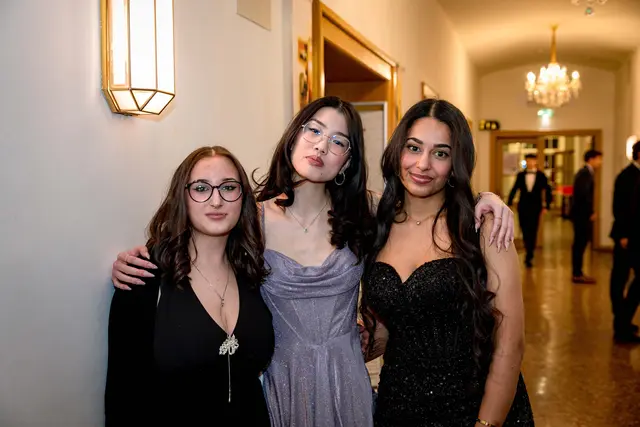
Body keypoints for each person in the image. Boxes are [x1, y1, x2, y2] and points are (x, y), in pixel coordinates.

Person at [109, 96, 516, 426]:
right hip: (282, 381)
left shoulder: (367, 213)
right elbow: (200, 233)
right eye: (314, 130)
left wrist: (487, 200)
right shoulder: (251, 217)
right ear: (294, 137)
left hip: (347, 378)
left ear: (347, 161)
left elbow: (424, 214)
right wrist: (143, 259)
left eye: (338, 141)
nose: (322, 146)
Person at [360, 98, 534, 426]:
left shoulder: (482, 227)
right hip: (399, 405)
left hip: (473, 405)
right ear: (398, 151)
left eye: (440, 153)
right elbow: (387, 330)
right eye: (413, 148)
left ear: (456, 163)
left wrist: (486, 424)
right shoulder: (378, 226)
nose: (422, 164)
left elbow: (510, 344)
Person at [104, 146, 274, 427]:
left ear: (243, 198)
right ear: (182, 197)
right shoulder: (143, 277)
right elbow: (123, 398)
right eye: (201, 188)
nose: (216, 201)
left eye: (228, 187)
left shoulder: (252, 271)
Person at [610, 140, 640, 343]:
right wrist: (623, 235)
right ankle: (621, 324)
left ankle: (623, 321)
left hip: (635, 237)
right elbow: (620, 207)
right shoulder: (627, 176)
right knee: (619, 279)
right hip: (628, 238)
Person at [507, 153, 551, 267]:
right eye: (528, 160)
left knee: (533, 230)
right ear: (526, 162)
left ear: (536, 161)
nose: (530, 163)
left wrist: (547, 206)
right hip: (523, 206)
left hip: (536, 207)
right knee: (524, 229)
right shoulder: (521, 175)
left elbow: (548, 190)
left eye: (532, 160)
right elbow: (515, 188)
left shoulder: (541, 175)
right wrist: (509, 202)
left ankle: (530, 254)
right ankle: (527, 249)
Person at [570, 149, 603, 284]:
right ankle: (577, 274)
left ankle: (578, 272)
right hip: (581, 215)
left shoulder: (587, 173)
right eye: (599, 159)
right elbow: (583, 195)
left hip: (581, 214)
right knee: (580, 243)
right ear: (591, 159)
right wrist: (590, 212)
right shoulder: (584, 174)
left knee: (581, 243)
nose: (600, 162)